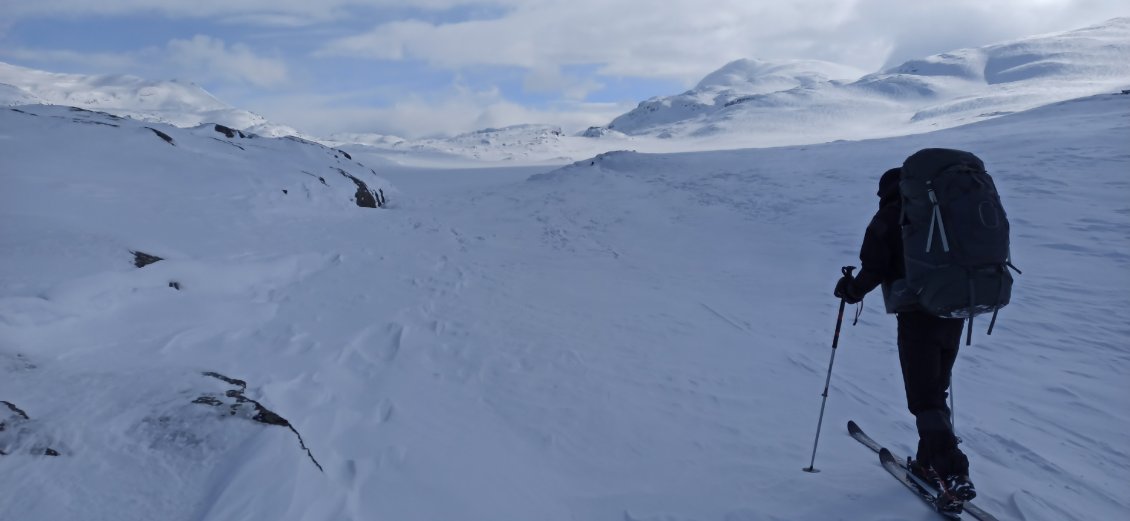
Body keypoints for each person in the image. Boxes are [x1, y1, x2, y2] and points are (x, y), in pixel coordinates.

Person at [833, 167, 977, 509]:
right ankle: (929, 465)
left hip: (918, 315)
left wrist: (850, 290)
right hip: (954, 311)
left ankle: (953, 473)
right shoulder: (943, 210)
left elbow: (874, 266)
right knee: (934, 392)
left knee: (924, 399)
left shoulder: (891, 214)